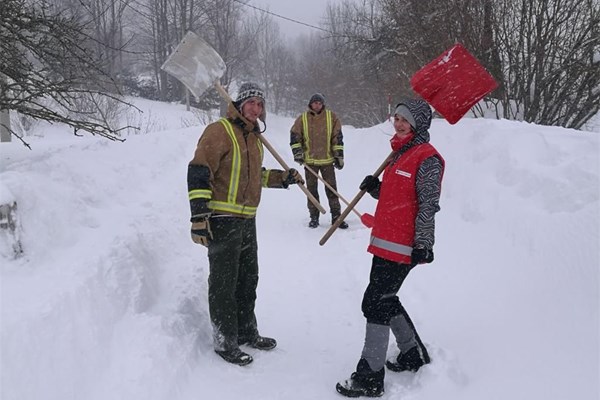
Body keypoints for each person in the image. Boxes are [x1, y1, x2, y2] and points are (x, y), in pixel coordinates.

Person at [187, 82, 304, 366]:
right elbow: (199, 171)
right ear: (239, 104)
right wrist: (199, 216)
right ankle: (225, 340)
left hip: (247, 218)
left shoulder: (253, 138)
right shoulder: (219, 131)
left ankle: (246, 330)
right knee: (224, 282)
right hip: (222, 219)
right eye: (251, 103)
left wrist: (281, 178)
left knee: (248, 278)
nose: (256, 109)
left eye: (260, 104)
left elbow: (254, 177)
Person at [335, 99, 445, 397]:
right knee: (384, 299)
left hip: (405, 246)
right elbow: (401, 197)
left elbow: (426, 205)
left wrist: (424, 243)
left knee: (373, 303)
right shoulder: (400, 154)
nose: (398, 123)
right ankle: (412, 354)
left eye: (405, 120)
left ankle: (370, 377)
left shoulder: (427, 158)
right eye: (396, 118)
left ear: (418, 124)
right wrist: (378, 190)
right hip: (385, 243)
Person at [290, 93, 348, 229]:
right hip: (310, 163)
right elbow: (294, 135)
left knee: (332, 190)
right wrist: (298, 153)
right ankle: (314, 217)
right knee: (311, 191)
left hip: (327, 161)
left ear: (323, 104)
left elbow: (337, 137)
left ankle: (336, 217)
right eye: (315, 103)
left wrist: (339, 156)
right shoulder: (303, 118)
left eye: (319, 103)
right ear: (310, 104)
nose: (317, 105)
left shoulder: (331, 117)